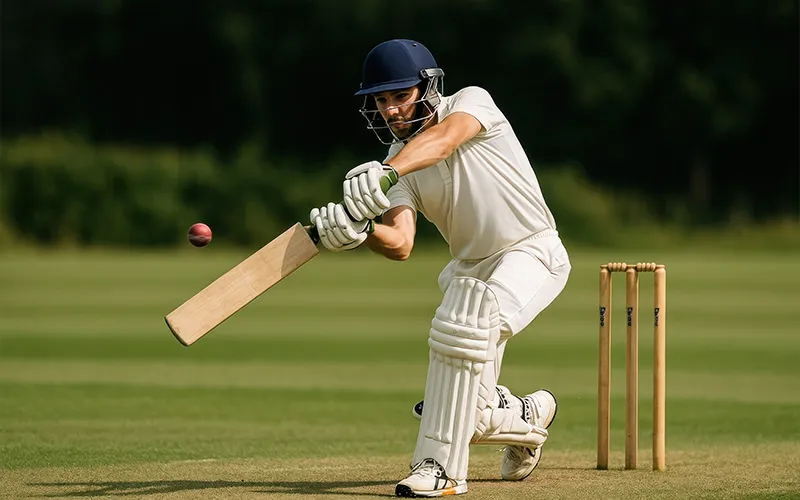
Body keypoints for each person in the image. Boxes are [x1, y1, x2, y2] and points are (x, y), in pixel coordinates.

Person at [309, 39, 572, 498]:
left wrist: (386, 172)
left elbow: (445, 140)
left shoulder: (471, 102)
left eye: (399, 96)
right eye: (381, 100)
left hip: (531, 251)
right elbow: (401, 242)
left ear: (428, 88)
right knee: (472, 414)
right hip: (471, 270)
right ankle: (528, 418)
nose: (389, 110)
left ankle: (441, 470)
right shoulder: (396, 164)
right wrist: (361, 234)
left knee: (466, 320)